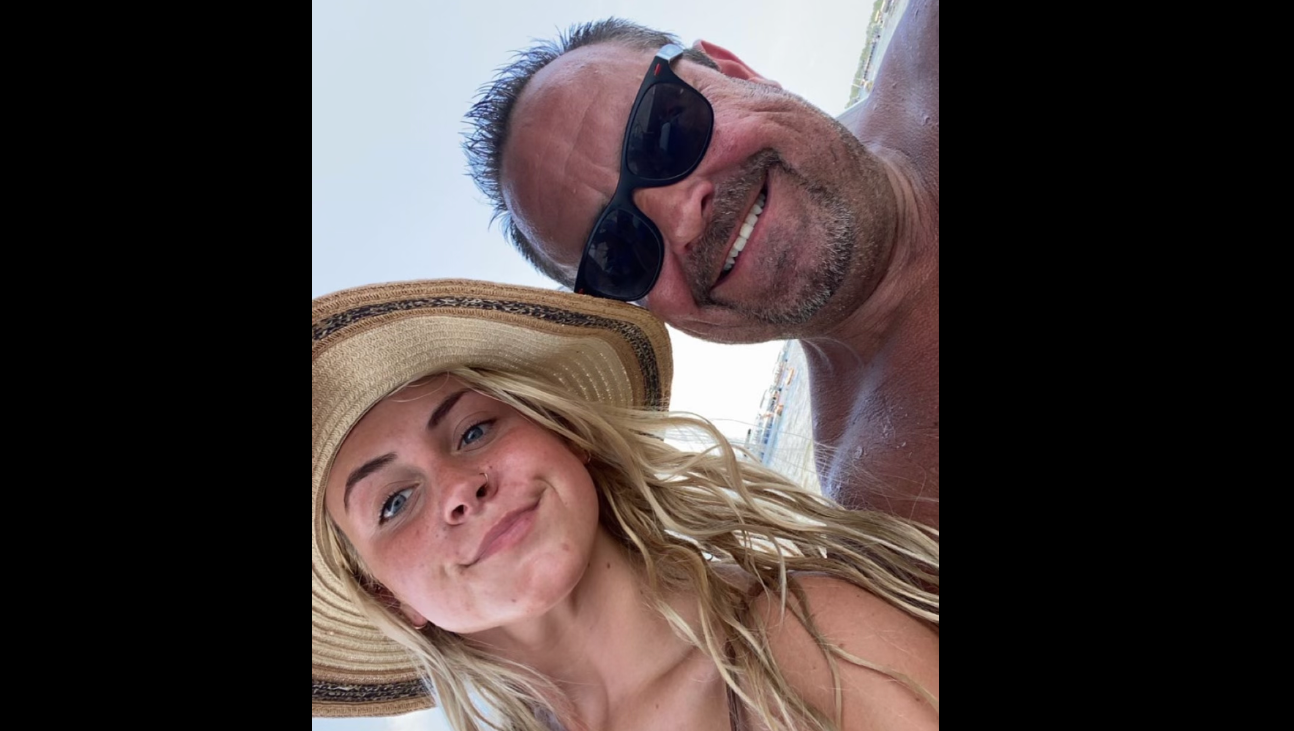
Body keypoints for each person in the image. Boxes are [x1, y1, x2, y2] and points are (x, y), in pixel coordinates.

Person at [312, 279, 938, 729]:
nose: (457, 488)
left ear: (568, 436)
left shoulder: (811, 638)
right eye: (394, 502)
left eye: (475, 430)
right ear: (388, 597)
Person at [463, 1, 939, 528]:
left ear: (737, 73)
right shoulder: (896, 512)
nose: (683, 218)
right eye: (618, 250)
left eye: (666, 129)